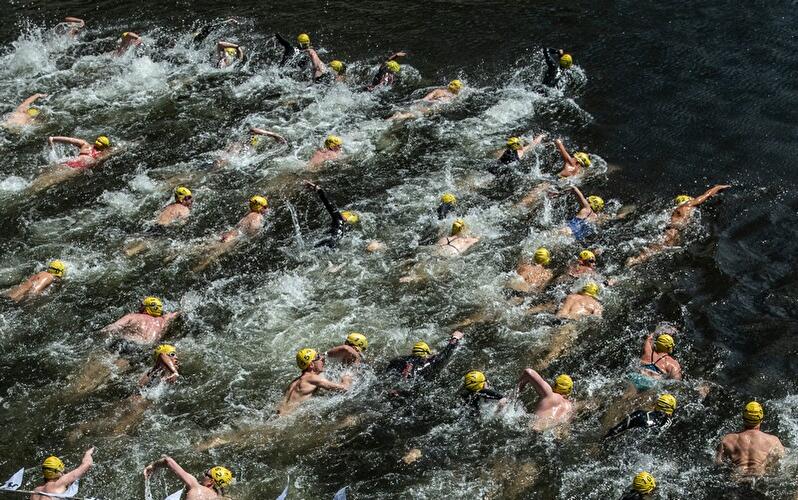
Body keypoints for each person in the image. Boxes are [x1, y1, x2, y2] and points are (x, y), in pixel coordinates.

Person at [626, 185, 732, 267]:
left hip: (672, 238)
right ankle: (627, 264)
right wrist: (718, 187)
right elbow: (707, 195)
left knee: (649, 255)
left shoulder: (677, 212)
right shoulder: (688, 205)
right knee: (647, 254)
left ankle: (626, 268)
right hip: (670, 236)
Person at [715, 401, 785, 477]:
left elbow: (718, 463)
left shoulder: (727, 439)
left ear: (743, 418)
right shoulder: (773, 441)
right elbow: (782, 460)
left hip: (737, 478)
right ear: (761, 419)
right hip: (758, 478)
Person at [28, 135, 115, 194]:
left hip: (69, 163)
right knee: (50, 183)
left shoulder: (85, 145)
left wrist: (53, 138)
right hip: (76, 169)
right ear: (105, 147)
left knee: (45, 177)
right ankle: (30, 192)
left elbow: (70, 140)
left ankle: (29, 187)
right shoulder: (102, 155)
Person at [277, 348, 352, 415]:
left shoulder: (294, 382)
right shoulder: (312, 378)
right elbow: (344, 388)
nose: (322, 359)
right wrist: (347, 376)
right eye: (318, 357)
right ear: (311, 365)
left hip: (278, 416)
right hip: (287, 419)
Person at [101, 296, 180, 345]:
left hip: (130, 344)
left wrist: (100, 333)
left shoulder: (133, 316)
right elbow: (178, 312)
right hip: (148, 348)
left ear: (146, 308)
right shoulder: (163, 321)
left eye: (142, 306)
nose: (139, 307)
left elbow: (114, 327)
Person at [386, 331, 464, 380]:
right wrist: (455, 338)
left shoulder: (400, 360)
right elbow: (446, 352)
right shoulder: (430, 362)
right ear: (426, 353)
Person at [143, 456, 233, 499]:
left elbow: (168, 461)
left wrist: (153, 466)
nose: (203, 475)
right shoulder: (220, 497)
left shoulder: (195, 487)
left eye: (206, 474)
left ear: (211, 482)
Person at [303, 180, 359, 248]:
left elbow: (328, 203)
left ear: (345, 218)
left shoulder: (339, 219)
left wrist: (316, 188)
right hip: (335, 245)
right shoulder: (346, 231)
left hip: (329, 242)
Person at [604, 393, 676, 439]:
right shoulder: (672, 424)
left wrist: (604, 438)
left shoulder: (640, 415)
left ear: (656, 405)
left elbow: (616, 430)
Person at [388, 80, 465, 120]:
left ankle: (395, 116)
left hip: (427, 102)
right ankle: (400, 116)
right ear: (457, 89)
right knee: (413, 114)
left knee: (411, 109)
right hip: (436, 105)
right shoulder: (454, 96)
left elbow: (425, 99)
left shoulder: (438, 90)